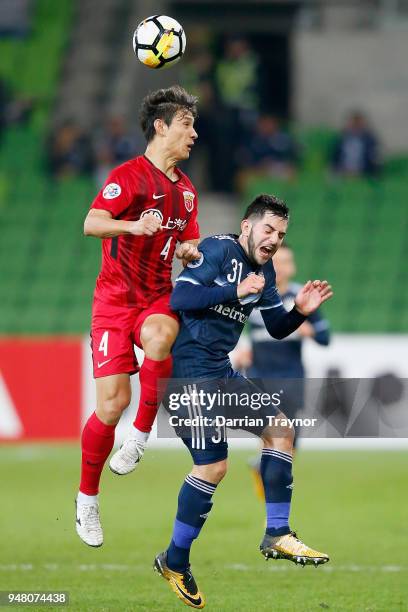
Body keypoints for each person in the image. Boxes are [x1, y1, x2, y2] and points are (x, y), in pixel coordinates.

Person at [154, 195, 333, 609]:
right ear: (247, 226)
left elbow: (275, 326)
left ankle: (277, 532)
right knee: (214, 466)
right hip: (190, 376)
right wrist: (235, 289)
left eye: (281, 234)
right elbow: (179, 300)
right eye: (268, 230)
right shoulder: (218, 249)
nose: (273, 239)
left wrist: (300, 311)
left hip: (221, 373)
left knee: (280, 428)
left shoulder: (265, 269)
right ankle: (175, 560)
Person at [75, 85, 201, 547]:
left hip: (156, 296)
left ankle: (142, 435)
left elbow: (189, 240)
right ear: (161, 126)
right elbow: (91, 222)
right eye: (186, 125)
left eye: (194, 127)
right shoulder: (127, 177)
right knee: (110, 404)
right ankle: (87, 499)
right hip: (112, 302)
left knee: (161, 337)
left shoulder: (186, 192)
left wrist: (189, 251)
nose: (193, 136)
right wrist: (132, 224)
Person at [233, 243, 330, 498]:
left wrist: (308, 330)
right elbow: (238, 329)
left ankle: (265, 470)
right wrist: (242, 351)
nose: (282, 267)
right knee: (271, 431)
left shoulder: (303, 296)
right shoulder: (254, 295)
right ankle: (272, 484)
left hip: (291, 374)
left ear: (293, 266)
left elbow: (325, 337)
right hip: (260, 375)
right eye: (277, 262)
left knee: (293, 434)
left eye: (286, 261)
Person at [330, 110, 381, 177]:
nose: (355, 126)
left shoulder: (370, 140)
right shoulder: (341, 139)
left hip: (362, 173)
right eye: (354, 123)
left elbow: (374, 159)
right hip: (343, 172)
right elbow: (335, 158)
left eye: (358, 123)